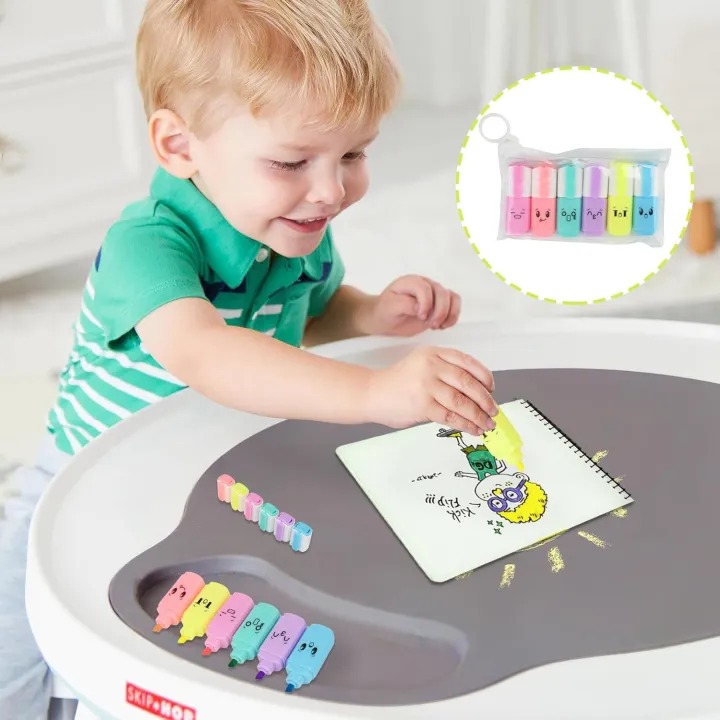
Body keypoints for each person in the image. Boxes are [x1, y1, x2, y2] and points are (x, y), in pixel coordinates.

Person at [0, 1, 498, 716]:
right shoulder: (147, 243)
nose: (331, 191)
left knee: (199, 658)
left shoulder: (295, 226)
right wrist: (374, 393)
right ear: (180, 146)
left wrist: (370, 314)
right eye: (292, 162)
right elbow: (208, 353)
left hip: (211, 478)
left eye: (353, 155)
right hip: (82, 485)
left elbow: (309, 316)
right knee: (17, 657)